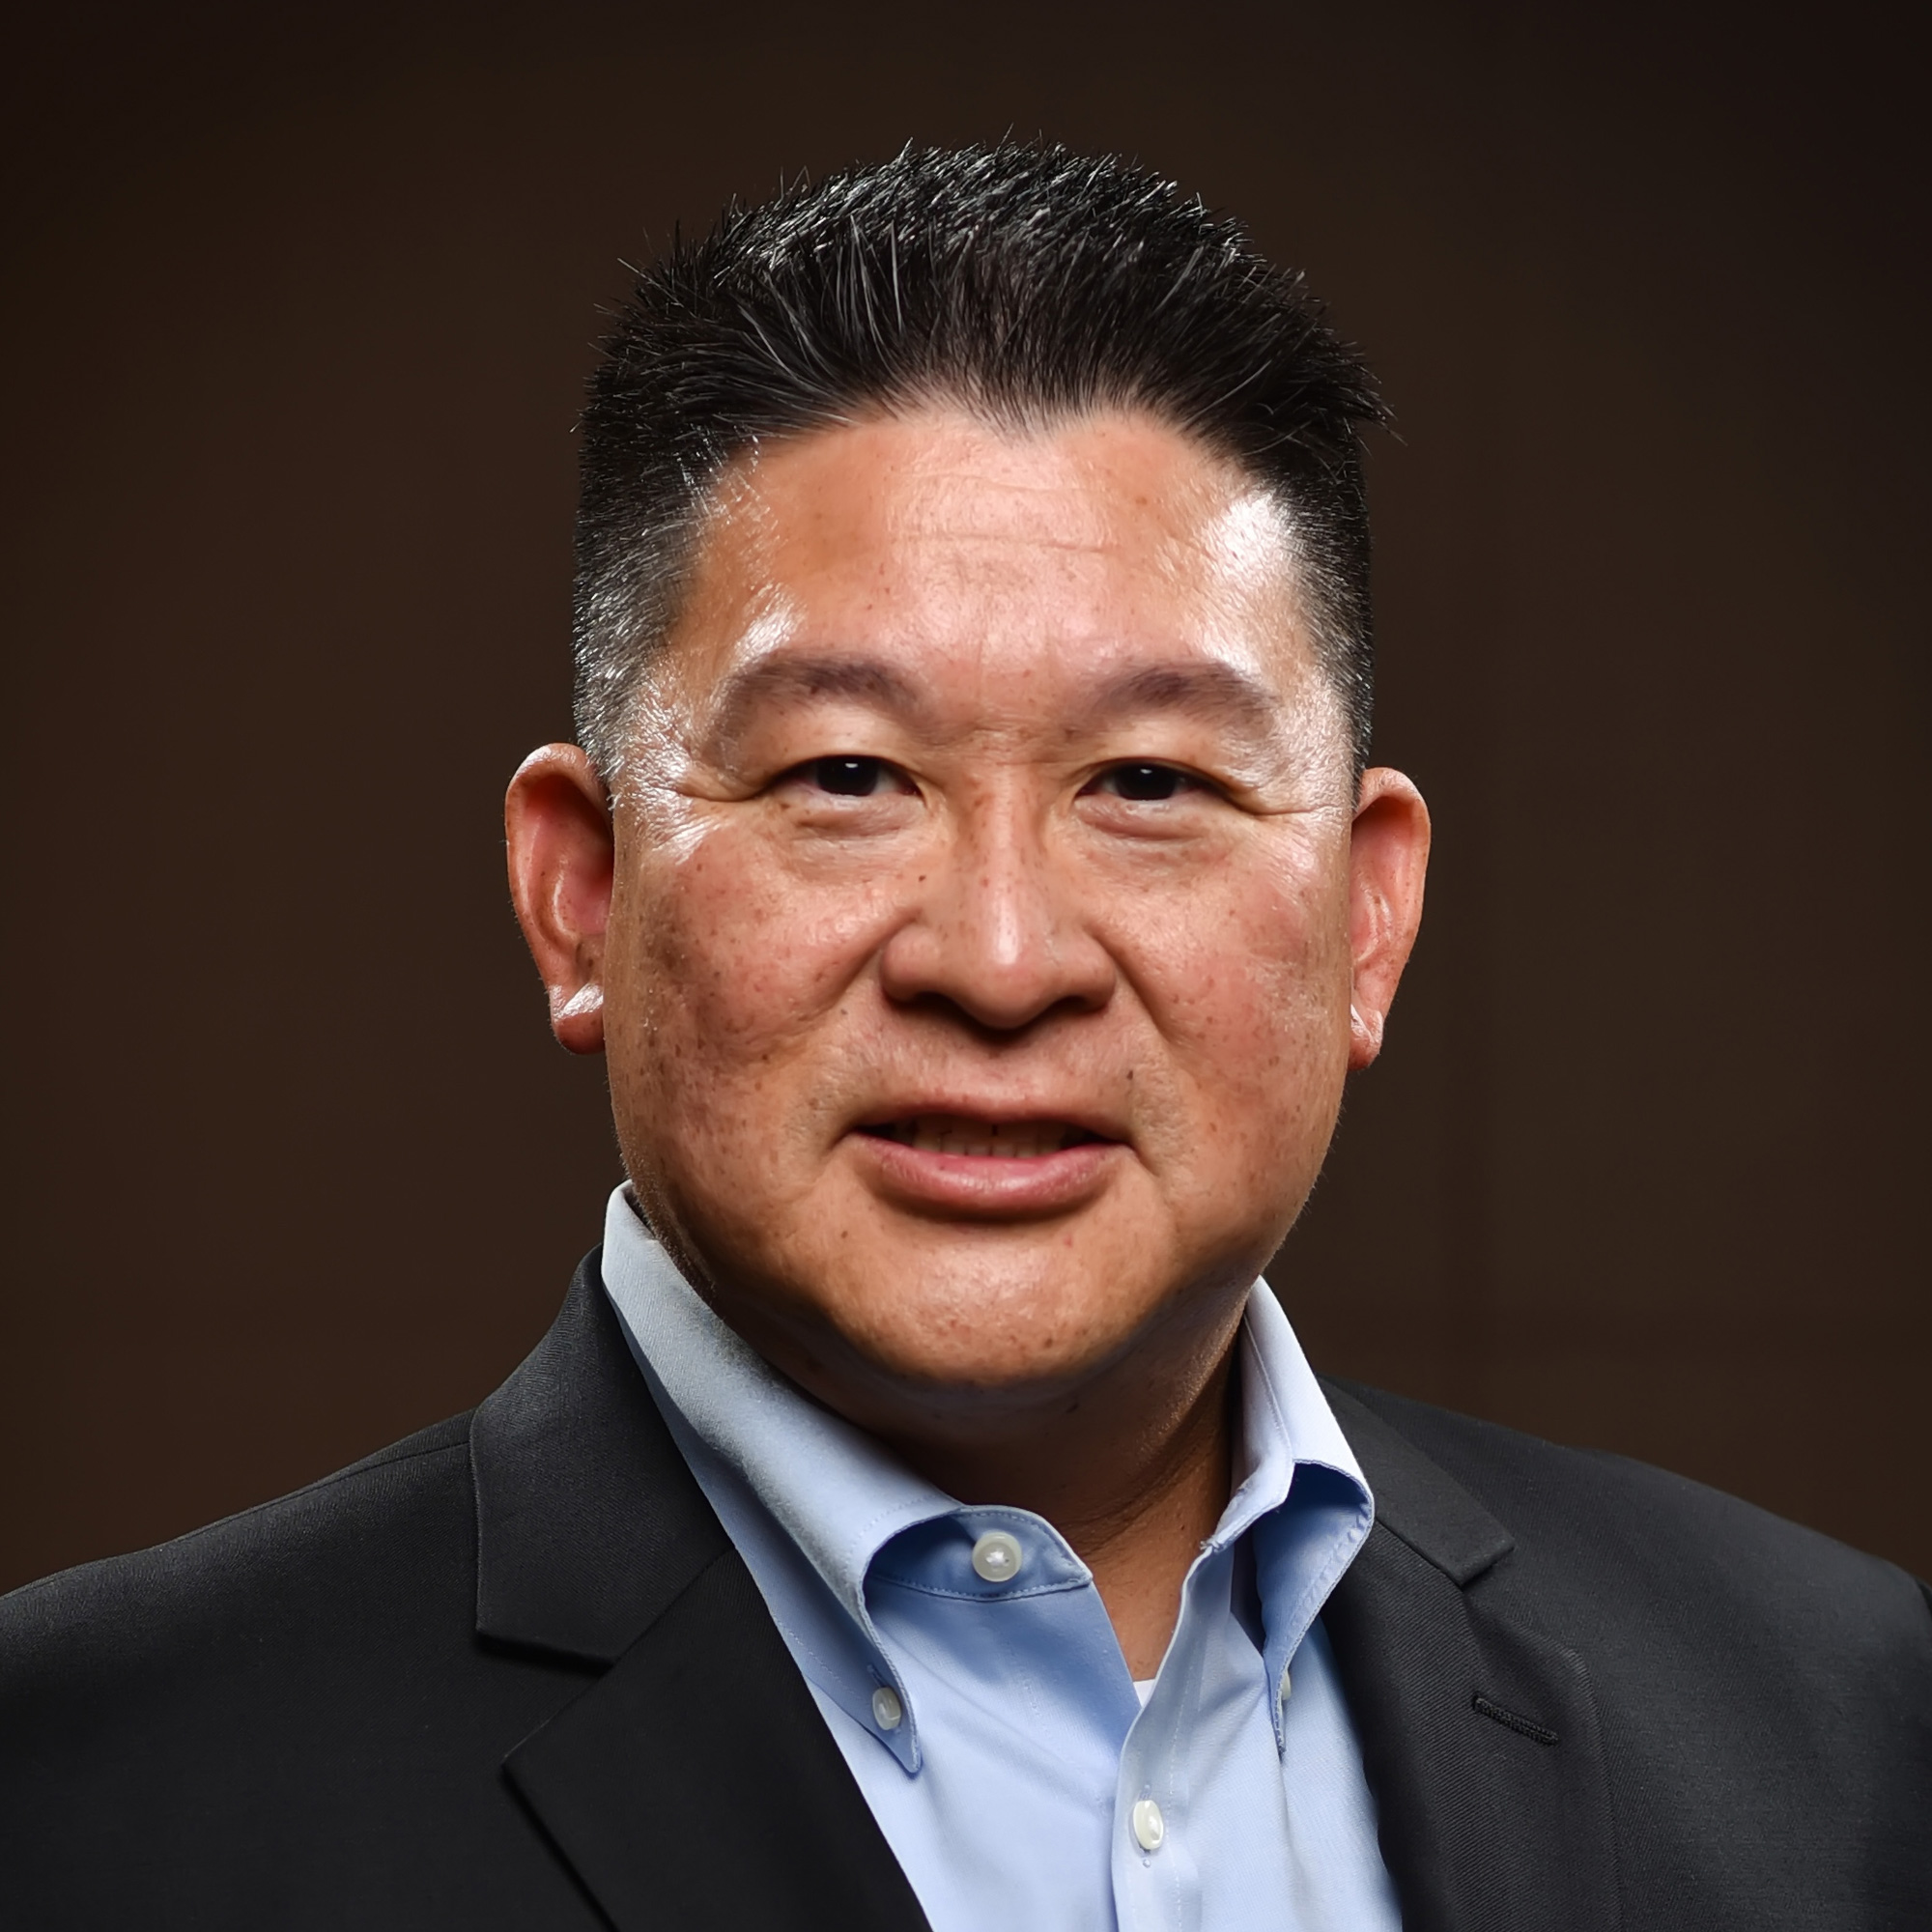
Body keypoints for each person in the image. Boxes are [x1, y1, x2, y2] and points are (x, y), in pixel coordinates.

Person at [1, 143, 1925, 1932]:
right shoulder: (90, 1792)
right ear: (580, 891)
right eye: (847, 772)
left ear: (1368, 914)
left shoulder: (1836, 1736)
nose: (1001, 959)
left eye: (1151, 780)